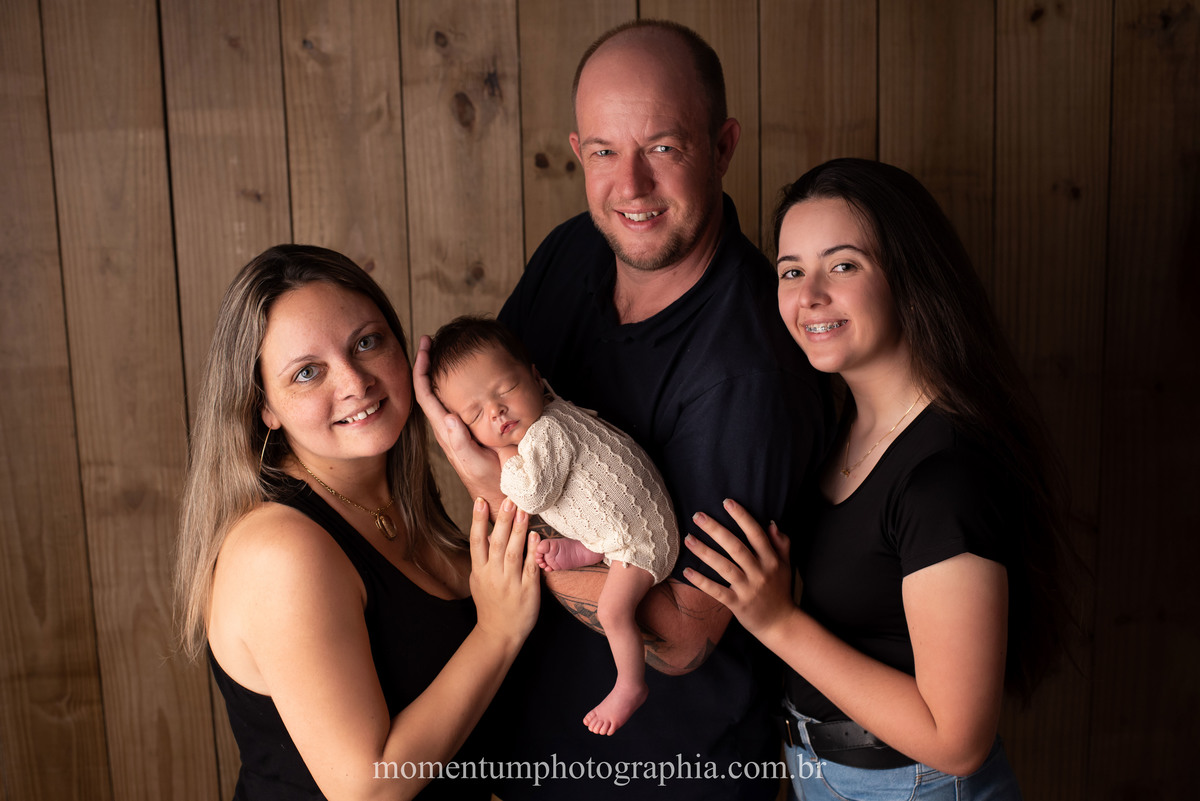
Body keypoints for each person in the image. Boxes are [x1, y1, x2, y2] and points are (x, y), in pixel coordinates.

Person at [414, 20, 831, 801]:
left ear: (723, 146)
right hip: (528, 752)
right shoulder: (574, 249)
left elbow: (678, 636)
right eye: (604, 151)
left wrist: (493, 493)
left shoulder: (747, 374)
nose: (630, 186)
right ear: (578, 152)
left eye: (663, 148)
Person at [683, 158, 1070, 800]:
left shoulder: (946, 476)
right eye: (790, 272)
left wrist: (776, 622)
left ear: (906, 276)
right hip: (822, 773)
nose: (809, 296)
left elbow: (959, 739)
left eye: (843, 265)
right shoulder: (841, 430)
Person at [173, 245, 541, 800]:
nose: (353, 381)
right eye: (306, 373)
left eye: (367, 342)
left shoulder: (406, 505)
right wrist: (497, 632)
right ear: (264, 407)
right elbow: (367, 789)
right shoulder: (281, 551)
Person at [426, 314, 680, 736]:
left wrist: (503, 455)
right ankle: (588, 549)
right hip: (621, 523)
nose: (496, 411)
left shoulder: (547, 431)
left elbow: (530, 496)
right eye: (474, 413)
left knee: (613, 611)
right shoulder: (550, 414)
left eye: (505, 389)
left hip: (642, 541)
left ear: (534, 377)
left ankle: (631, 684)